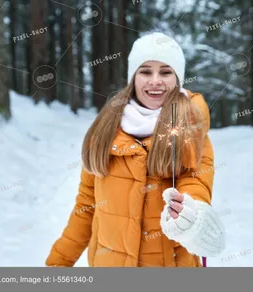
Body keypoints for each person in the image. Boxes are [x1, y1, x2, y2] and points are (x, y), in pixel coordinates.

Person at [45, 32, 225, 267]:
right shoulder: (106, 130)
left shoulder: (190, 129)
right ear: (133, 77)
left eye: (166, 72)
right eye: (145, 71)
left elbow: (195, 182)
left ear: (178, 79)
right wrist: (58, 263)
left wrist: (189, 210)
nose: (155, 81)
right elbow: (86, 207)